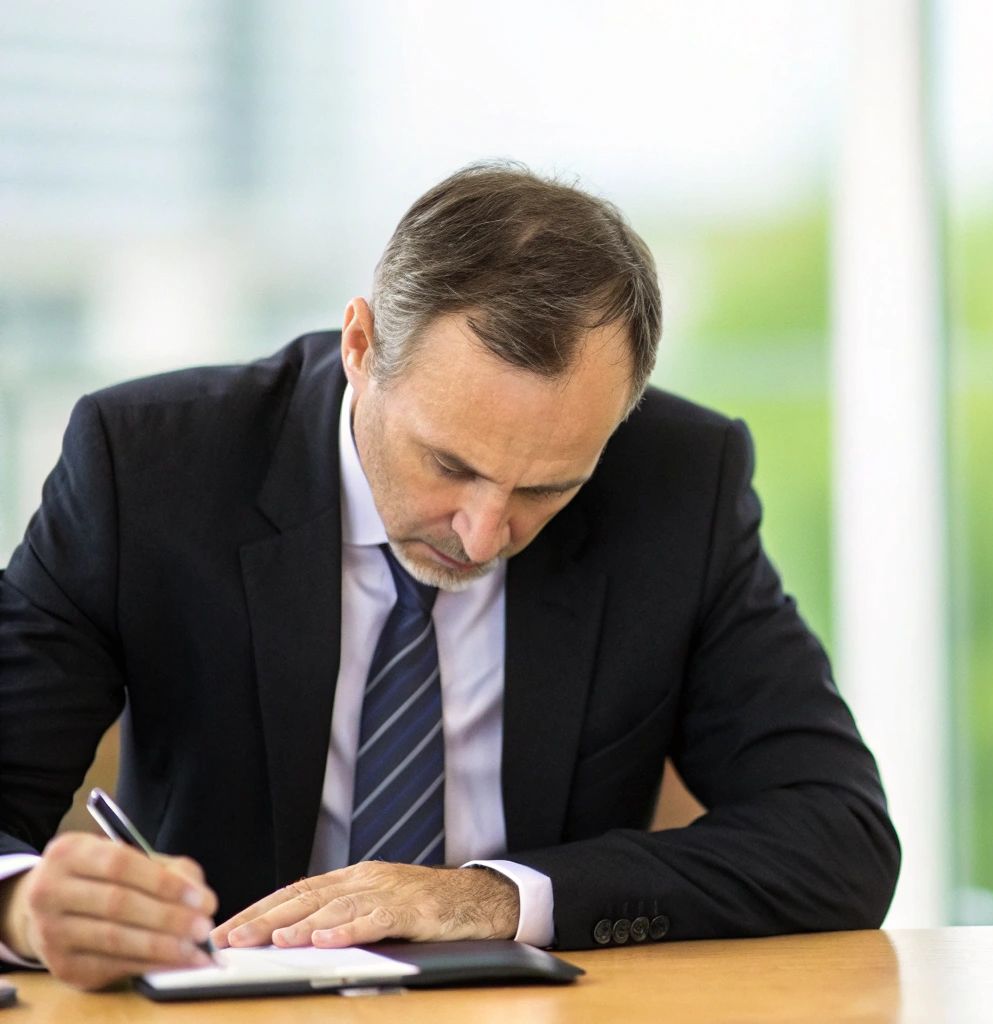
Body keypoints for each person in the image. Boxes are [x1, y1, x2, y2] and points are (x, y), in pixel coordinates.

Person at [0, 162, 899, 990]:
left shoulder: (678, 485)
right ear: (361, 346)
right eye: (449, 464)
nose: (482, 533)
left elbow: (839, 833)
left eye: (546, 488)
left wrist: (489, 898)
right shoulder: (149, 469)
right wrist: (23, 907)